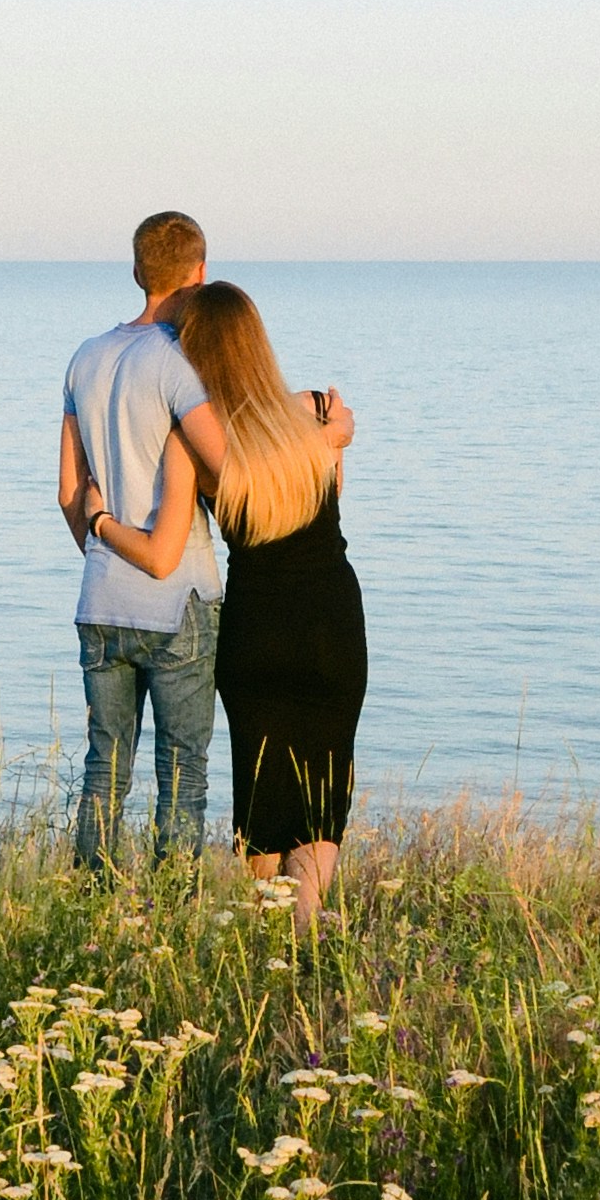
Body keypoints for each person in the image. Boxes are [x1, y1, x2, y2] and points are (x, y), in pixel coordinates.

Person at [101, 278, 362, 927]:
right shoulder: (318, 413)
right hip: (330, 617)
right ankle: (306, 926)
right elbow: (332, 505)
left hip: (254, 627)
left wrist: (100, 520)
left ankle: (267, 938)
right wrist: (332, 441)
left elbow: (164, 549)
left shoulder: (194, 440)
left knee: (262, 785)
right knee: (322, 786)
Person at [58, 211, 229, 870]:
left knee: (104, 770)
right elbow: (227, 473)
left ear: (137, 273)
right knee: (183, 775)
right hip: (177, 598)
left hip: (101, 598)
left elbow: (69, 493)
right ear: (201, 273)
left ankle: (90, 912)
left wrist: (107, 549)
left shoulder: (86, 357)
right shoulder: (183, 362)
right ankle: (170, 919)